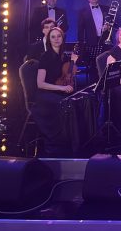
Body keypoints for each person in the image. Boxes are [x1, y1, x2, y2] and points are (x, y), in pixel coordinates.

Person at [35, 27, 76, 156]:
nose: (56, 39)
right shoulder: (45, 57)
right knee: (64, 103)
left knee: (79, 100)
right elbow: (40, 84)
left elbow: (68, 76)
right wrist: (62, 88)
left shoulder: (64, 56)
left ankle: (73, 139)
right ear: (49, 39)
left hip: (59, 91)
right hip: (46, 93)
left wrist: (74, 61)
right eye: (53, 37)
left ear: (62, 38)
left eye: (59, 36)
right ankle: (57, 142)